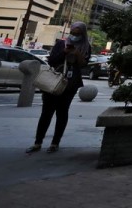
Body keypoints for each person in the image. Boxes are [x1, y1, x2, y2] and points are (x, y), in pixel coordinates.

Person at [26, 22, 92, 154]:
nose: (74, 36)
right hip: (54, 80)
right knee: (46, 112)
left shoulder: (86, 46)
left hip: (70, 83)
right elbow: (51, 61)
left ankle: (55, 143)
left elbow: (83, 65)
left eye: (78, 34)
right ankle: (38, 142)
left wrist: (77, 53)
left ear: (83, 34)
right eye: (73, 33)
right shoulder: (61, 44)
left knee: (62, 112)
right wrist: (64, 52)